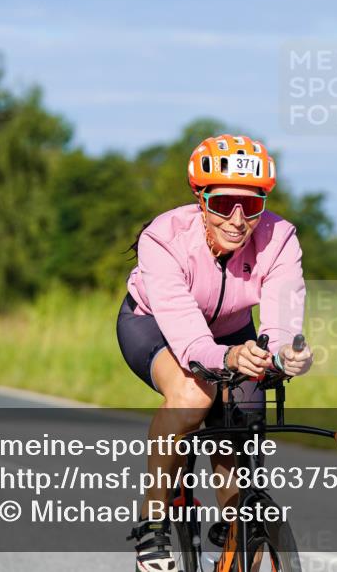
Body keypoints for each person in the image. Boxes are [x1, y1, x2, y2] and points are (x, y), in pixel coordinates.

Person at [117, 133, 314, 572]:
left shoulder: (280, 238)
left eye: (252, 206)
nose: (238, 220)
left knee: (239, 424)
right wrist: (227, 358)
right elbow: (189, 338)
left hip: (231, 331)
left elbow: (280, 321)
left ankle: (235, 531)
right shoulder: (164, 238)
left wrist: (285, 355)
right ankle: (152, 523)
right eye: (224, 204)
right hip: (156, 325)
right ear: (201, 198)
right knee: (195, 396)